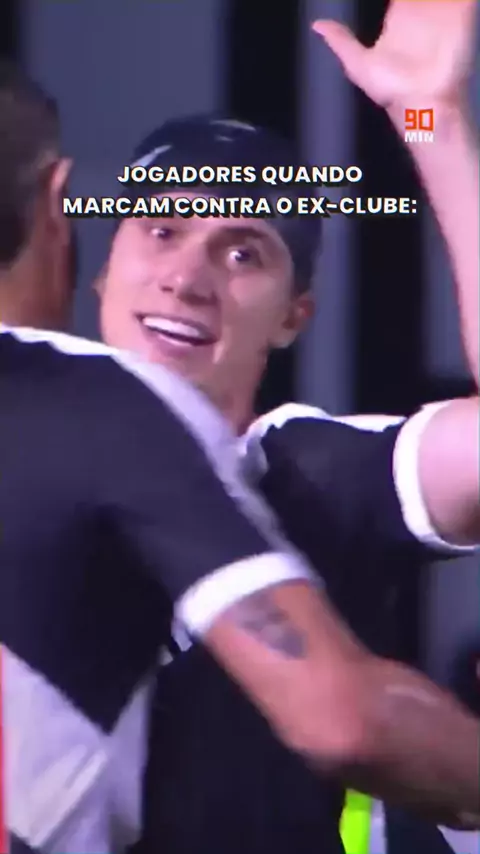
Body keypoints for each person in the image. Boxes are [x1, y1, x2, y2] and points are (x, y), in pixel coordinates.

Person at [1, 59, 479, 854]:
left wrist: (432, 121)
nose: (188, 279)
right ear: (102, 269)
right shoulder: (31, 451)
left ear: (294, 317)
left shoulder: (308, 474)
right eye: (163, 231)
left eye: (243, 254)